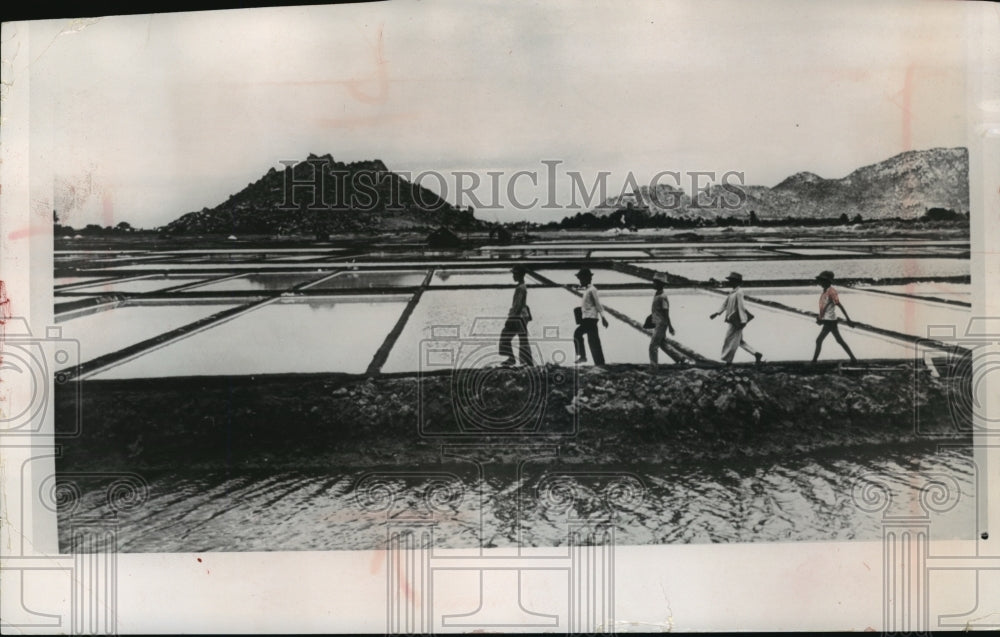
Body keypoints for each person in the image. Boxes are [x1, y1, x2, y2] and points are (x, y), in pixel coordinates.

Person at [709, 271, 763, 366]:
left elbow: (741, 307)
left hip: (736, 321)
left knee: (729, 339)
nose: (729, 282)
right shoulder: (732, 292)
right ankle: (756, 354)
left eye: (731, 280)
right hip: (732, 319)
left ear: (736, 282)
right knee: (739, 341)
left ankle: (728, 362)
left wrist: (743, 320)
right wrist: (717, 313)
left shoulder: (739, 292)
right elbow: (725, 304)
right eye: (730, 280)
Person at [812, 270, 858, 363]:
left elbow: (839, 305)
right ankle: (853, 359)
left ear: (827, 281)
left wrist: (848, 320)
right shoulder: (825, 292)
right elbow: (824, 308)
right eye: (820, 280)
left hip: (830, 321)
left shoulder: (832, 292)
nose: (820, 282)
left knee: (819, 340)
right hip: (829, 320)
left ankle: (814, 361)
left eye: (822, 280)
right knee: (839, 340)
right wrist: (820, 317)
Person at [498, 265, 534, 366]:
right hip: (522, 316)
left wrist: (511, 318)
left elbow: (517, 306)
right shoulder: (522, 287)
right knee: (522, 339)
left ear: (519, 275)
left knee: (505, 336)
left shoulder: (520, 288)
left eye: (514, 274)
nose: (513, 276)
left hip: (518, 317)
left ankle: (513, 359)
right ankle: (526, 361)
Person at [573, 268, 609, 365]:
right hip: (588, 319)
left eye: (581, 279)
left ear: (586, 278)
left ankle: (583, 357)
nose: (580, 281)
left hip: (590, 319)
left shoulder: (592, 290)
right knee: (593, 341)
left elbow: (598, 304)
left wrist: (603, 318)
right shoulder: (587, 290)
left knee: (577, 334)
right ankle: (600, 363)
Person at [648, 275, 675, 367]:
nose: (653, 284)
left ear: (660, 284)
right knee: (663, 344)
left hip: (661, 324)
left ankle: (654, 366)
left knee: (653, 346)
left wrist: (670, 326)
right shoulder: (657, 294)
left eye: (655, 282)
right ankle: (682, 359)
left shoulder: (662, 297)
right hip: (657, 323)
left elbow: (666, 312)